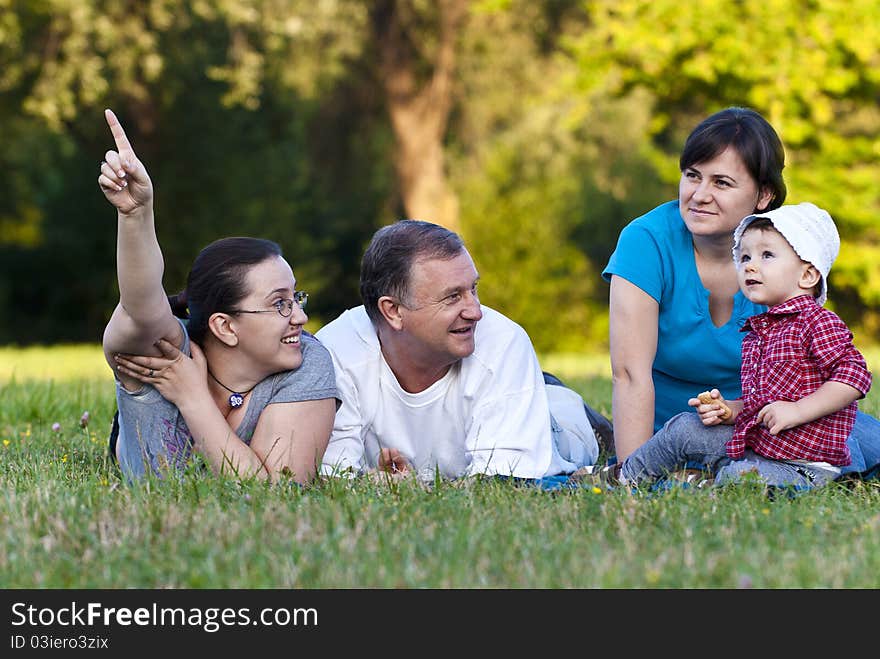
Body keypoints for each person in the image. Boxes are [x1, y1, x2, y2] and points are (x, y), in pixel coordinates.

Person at [602, 106, 880, 479]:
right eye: (692, 176)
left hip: (769, 424)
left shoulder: (788, 258)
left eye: (721, 183)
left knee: (861, 434)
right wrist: (634, 471)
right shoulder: (645, 241)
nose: (699, 195)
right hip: (667, 428)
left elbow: (814, 369)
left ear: (763, 194)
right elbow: (629, 374)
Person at [98, 108, 338, 484]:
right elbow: (142, 304)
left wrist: (193, 398)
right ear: (225, 326)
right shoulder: (163, 355)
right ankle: (122, 436)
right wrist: (135, 215)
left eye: (296, 298)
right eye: (280, 304)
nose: (300, 318)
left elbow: (280, 492)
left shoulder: (306, 362)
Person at [315, 219, 601, 483]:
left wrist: (415, 489)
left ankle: (563, 400)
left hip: (558, 427)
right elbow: (332, 476)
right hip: (490, 400)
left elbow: (502, 485)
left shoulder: (504, 341)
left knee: (573, 424)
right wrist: (378, 484)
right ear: (393, 311)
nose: (476, 312)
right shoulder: (335, 353)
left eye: (473, 289)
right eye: (452, 297)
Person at [614, 203, 872, 489]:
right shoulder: (758, 331)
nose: (750, 265)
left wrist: (798, 410)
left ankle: (701, 481)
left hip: (804, 464)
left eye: (767, 255)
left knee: (742, 478)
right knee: (684, 428)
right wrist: (730, 410)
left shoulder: (817, 322)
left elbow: (854, 377)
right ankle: (624, 477)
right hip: (758, 444)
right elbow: (759, 404)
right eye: (745, 256)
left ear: (807, 275)